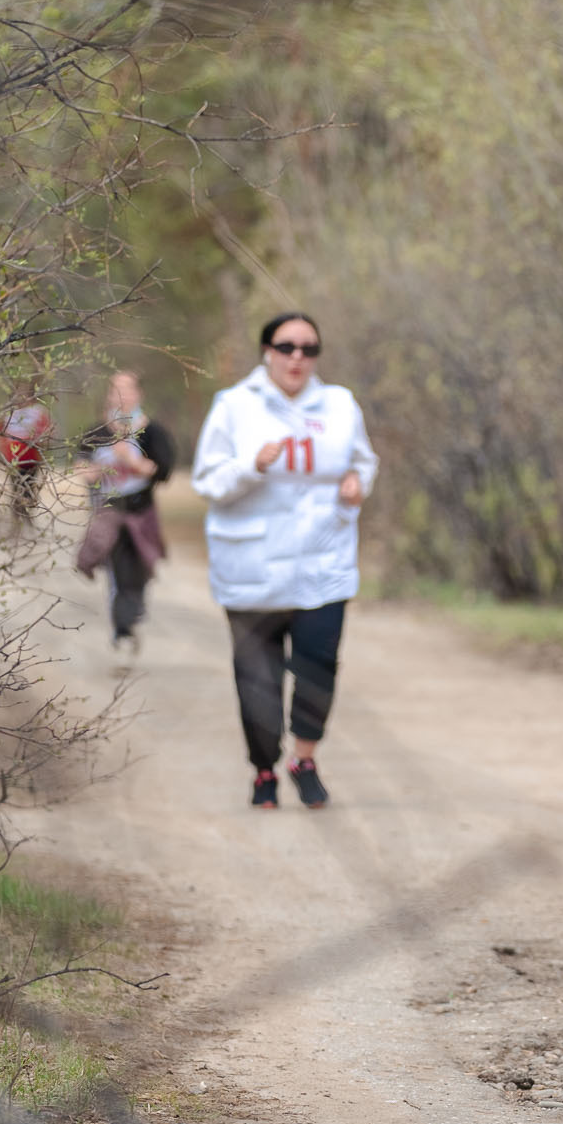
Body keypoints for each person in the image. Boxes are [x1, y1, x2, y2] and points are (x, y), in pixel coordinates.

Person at [192, 312, 377, 810]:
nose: (298, 357)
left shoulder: (339, 405)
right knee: (259, 677)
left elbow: (364, 461)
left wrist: (358, 485)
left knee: (319, 666)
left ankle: (305, 760)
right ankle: (263, 770)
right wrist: (252, 466)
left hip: (324, 562)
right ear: (267, 351)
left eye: (309, 348)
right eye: (287, 346)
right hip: (254, 567)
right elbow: (207, 482)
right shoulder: (234, 407)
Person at [73, 371, 177, 657]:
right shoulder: (99, 430)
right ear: (109, 396)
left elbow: (163, 469)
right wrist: (94, 470)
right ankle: (122, 626)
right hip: (109, 511)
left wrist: (131, 460)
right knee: (118, 567)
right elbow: (80, 464)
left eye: (127, 389)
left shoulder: (151, 431)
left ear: (138, 394)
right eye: (115, 390)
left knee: (140, 566)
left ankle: (131, 615)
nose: (121, 396)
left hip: (140, 511)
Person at [0, 382, 53, 528]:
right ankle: (18, 523)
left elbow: (46, 431)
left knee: (28, 490)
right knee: (16, 490)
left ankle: (27, 520)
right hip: (13, 460)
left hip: (31, 459)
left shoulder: (38, 411)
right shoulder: (9, 413)